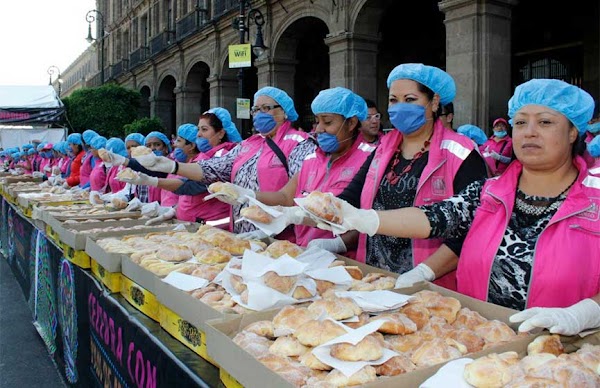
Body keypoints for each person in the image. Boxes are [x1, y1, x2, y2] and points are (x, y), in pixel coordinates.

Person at [321, 78, 600, 336]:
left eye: (546, 123)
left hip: (563, 354)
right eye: (521, 122)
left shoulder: (594, 198)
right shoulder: (490, 191)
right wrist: (364, 219)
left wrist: (584, 314)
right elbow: (434, 217)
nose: (530, 133)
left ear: (574, 131)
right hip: (482, 340)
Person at [334, 63, 488, 290]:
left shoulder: (461, 153)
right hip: (376, 279)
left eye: (410, 99)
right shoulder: (384, 148)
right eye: (393, 100)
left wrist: (424, 272)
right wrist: (310, 212)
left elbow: (471, 227)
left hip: (430, 286)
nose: (399, 108)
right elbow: (352, 196)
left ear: (434, 102)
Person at [130, 87, 314, 238]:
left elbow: (294, 196)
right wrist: (172, 166)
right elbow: (214, 168)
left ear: (284, 111)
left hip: (281, 237)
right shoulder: (249, 144)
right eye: (256, 110)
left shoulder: (299, 143)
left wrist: (249, 194)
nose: (259, 114)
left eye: (266, 108)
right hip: (242, 234)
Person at [217, 87, 375, 253]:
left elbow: (372, 217)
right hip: (304, 253)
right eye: (317, 121)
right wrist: (248, 195)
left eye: (327, 122)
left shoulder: (369, 159)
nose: (319, 129)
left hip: (346, 261)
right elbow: (285, 197)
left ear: (351, 123)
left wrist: (339, 244)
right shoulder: (312, 159)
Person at [113, 108, 242, 224]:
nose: (199, 134)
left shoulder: (224, 156)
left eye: (204, 129)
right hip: (192, 221)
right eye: (198, 129)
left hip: (212, 226)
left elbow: (193, 186)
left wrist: (153, 181)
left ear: (220, 133)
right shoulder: (204, 156)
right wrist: (175, 209)